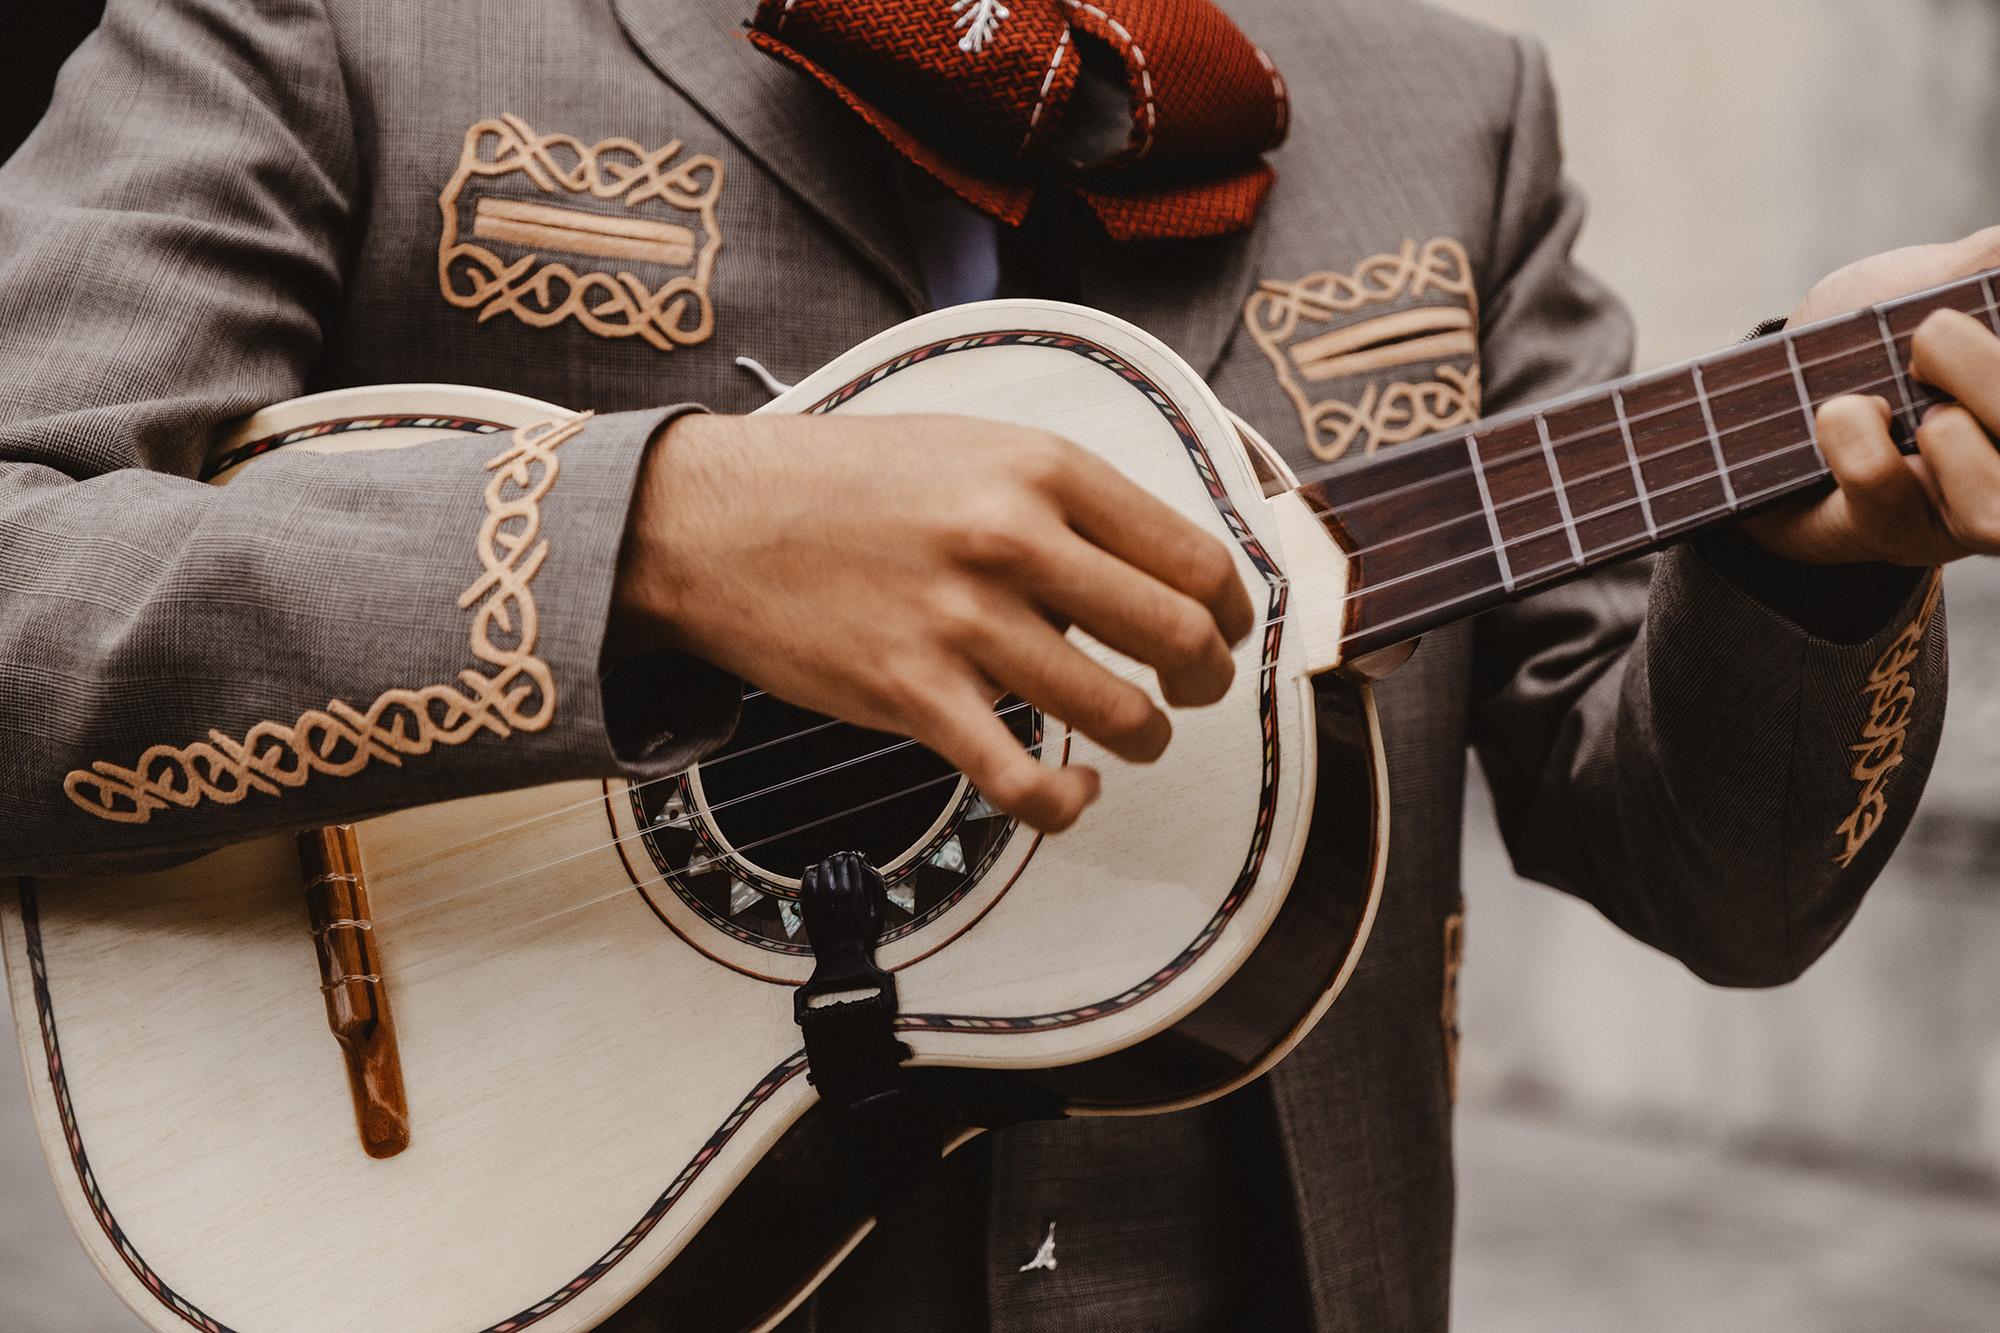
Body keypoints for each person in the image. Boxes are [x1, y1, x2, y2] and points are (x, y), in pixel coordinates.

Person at [0, 0, 1994, 1327]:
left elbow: (1715, 883)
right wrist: (654, 542)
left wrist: (1815, 567)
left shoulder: (1444, 104)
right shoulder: (339, 23)